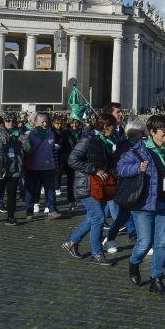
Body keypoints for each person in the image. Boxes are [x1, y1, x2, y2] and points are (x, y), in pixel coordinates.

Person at [117, 114, 165, 295]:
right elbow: (120, 168)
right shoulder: (139, 151)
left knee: (161, 243)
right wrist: (137, 168)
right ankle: (134, 262)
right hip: (143, 204)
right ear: (152, 132)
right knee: (145, 242)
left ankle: (156, 279)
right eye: (163, 130)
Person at [63, 113, 118, 266]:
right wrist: (95, 170)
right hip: (86, 186)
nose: (115, 129)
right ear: (106, 126)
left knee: (92, 218)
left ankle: (71, 242)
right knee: (99, 218)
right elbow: (72, 160)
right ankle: (97, 254)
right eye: (113, 126)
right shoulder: (88, 139)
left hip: (99, 186)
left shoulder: (107, 140)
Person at [104, 119, 144, 253]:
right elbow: (119, 167)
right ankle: (110, 239)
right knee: (123, 215)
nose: (143, 135)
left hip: (142, 184)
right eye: (141, 132)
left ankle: (142, 242)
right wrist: (137, 167)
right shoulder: (123, 145)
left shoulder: (145, 145)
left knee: (142, 214)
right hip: (127, 184)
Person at [0, 114, 29, 225]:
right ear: (4, 121)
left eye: (13, 121)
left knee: (12, 193)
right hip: (1, 166)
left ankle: (11, 217)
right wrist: (0, 141)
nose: (10, 123)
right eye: (8, 120)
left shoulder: (20, 132)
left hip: (15, 166)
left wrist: (25, 141)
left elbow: (28, 149)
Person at [23, 113, 63, 220]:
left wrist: (56, 164)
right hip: (33, 166)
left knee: (50, 189)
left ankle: (52, 209)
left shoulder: (51, 134)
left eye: (46, 121)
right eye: (42, 122)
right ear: (36, 123)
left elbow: (52, 150)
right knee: (31, 189)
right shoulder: (29, 134)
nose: (45, 124)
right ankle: (29, 211)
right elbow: (25, 150)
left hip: (48, 166)